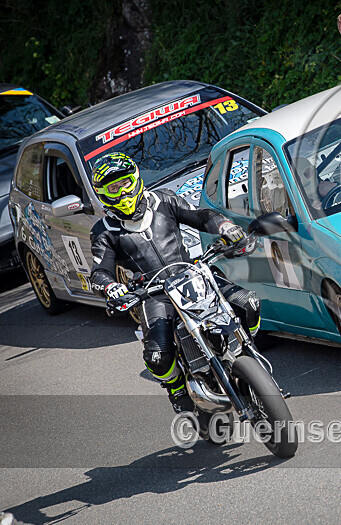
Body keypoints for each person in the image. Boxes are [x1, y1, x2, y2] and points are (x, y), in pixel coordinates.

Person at [89, 152, 261, 417]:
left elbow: (202, 216)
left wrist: (225, 226)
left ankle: (248, 355)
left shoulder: (164, 200)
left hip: (191, 275)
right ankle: (177, 389)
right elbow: (100, 272)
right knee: (158, 356)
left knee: (248, 303)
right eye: (113, 188)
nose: (122, 191)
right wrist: (111, 286)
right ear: (103, 194)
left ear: (135, 179)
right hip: (153, 294)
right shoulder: (104, 231)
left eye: (124, 183)